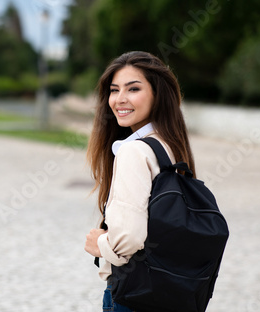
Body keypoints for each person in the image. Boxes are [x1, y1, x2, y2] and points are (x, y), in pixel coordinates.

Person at [84, 51, 196, 311]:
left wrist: (99, 244)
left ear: (158, 94)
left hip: (133, 294)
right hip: (171, 291)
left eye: (133, 89)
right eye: (114, 90)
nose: (120, 99)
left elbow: (130, 239)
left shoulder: (134, 151)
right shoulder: (171, 146)